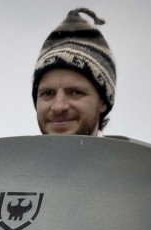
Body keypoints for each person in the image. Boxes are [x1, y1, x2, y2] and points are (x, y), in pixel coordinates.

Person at [33, 8, 116, 137]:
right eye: (48, 93)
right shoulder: (9, 156)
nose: (58, 107)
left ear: (103, 102)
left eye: (75, 93)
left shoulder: (135, 157)